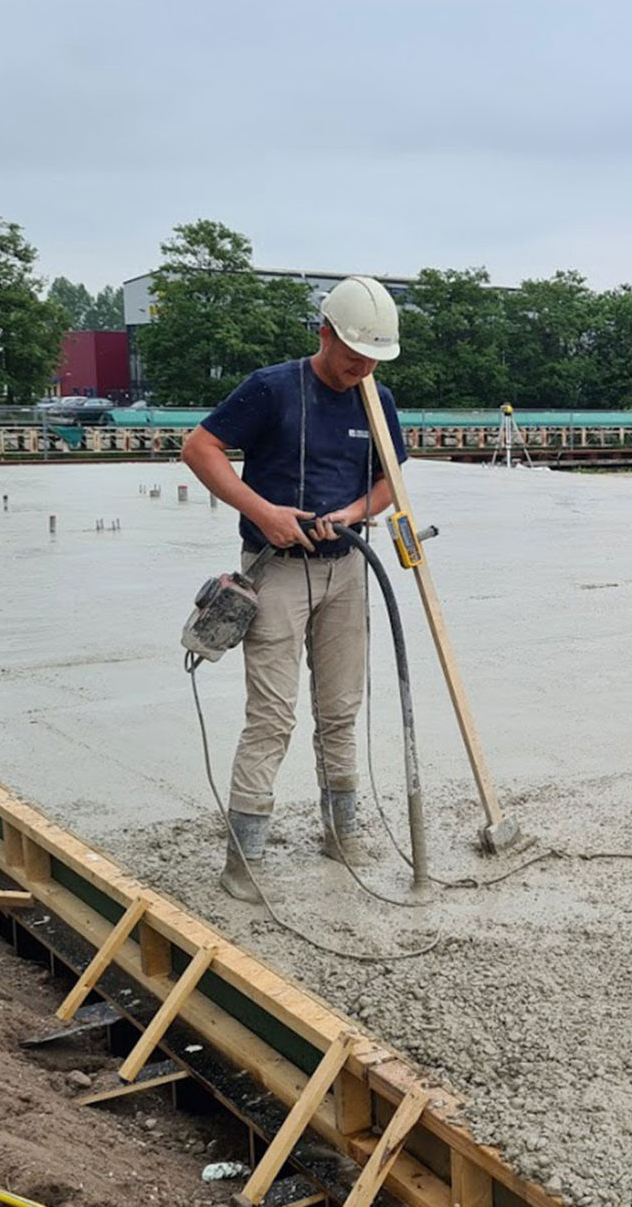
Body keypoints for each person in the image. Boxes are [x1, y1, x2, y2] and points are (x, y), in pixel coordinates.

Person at [180, 275, 408, 902]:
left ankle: (342, 835)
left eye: (372, 358)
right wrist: (266, 511)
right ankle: (243, 861)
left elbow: (392, 481)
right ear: (325, 332)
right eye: (352, 353)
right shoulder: (272, 388)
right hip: (274, 570)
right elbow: (199, 448)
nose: (360, 366)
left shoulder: (376, 399)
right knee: (271, 716)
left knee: (340, 710)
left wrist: (358, 512)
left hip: (347, 568)